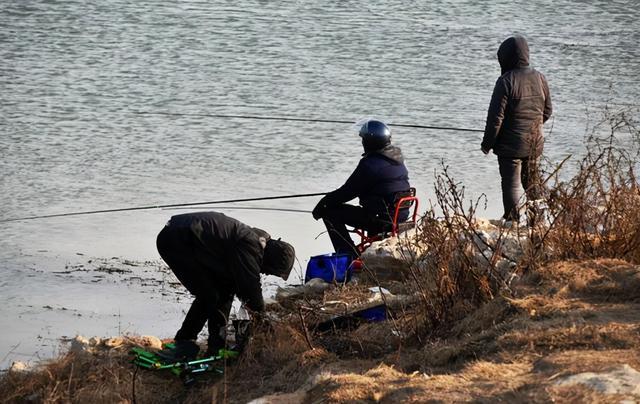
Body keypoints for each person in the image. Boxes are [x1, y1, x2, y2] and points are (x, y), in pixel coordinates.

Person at [156, 211, 295, 359]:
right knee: (208, 295)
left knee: (223, 290)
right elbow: (250, 288)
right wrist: (261, 318)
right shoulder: (250, 246)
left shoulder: (254, 241)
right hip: (176, 239)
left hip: (188, 238)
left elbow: (231, 290)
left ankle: (216, 345)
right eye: (270, 271)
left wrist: (218, 344)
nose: (266, 273)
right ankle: (184, 342)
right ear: (271, 259)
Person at [312, 119, 411, 258]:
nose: (362, 142)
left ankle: (348, 256)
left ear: (370, 142)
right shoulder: (397, 160)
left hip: (382, 220)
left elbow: (347, 192)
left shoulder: (370, 165)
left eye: (363, 139)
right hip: (400, 217)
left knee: (330, 212)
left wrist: (322, 204)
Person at [481, 35, 552, 226]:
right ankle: (537, 222)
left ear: (507, 58)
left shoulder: (505, 81)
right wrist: (533, 127)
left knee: (511, 183)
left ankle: (512, 221)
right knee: (533, 183)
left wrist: (487, 144)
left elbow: (495, 119)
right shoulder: (540, 77)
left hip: (510, 147)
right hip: (535, 142)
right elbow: (547, 111)